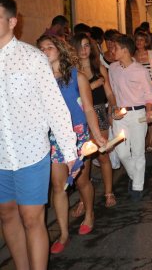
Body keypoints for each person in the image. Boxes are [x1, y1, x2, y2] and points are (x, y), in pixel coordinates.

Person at [0, 0, 77, 269]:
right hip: (1, 158)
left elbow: (55, 106)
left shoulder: (32, 58)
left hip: (31, 153)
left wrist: (70, 152)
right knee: (7, 216)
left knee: (32, 218)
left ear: (12, 21)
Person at [37, 34, 105, 253]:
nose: (45, 51)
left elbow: (87, 108)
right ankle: (64, 233)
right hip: (52, 137)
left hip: (78, 135)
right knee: (58, 186)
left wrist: (97, 134)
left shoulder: (78, 77)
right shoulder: (37, 79)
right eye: (41, 48)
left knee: (81, 181)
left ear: (60, 50)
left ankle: (89, 214)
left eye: (50, 47)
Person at [70, 33, 117, 209]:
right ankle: (84, 199)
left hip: (99, 113)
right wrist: (92, 86)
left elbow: (110, 93)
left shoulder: (99, 68)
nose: (84, 50)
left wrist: (114, 107)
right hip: (80, 117)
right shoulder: (72, 72)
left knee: (103, 155)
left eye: (87, 45)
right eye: (80, 46)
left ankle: (109, 192)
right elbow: (74, 97)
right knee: (84, 160)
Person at [109, 35, 152, 199]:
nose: (111, 50)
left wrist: (149, 111)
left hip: (137, 114)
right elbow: (113, 92)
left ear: (125, 50)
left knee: (137, 152)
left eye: (115, 47)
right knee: (121, 152)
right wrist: (113, 110)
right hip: (119, 115)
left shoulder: (140, 71)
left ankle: (137, 186)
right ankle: (135, 176)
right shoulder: (113, 68)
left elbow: (149, 94)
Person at [133, 31, 152, 152]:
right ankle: (141, 140)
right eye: (137, 40)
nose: (139, 42)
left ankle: (150, 141)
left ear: (146, 42)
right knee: (140, 115)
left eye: (142, 40)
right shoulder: (133, 55)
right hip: (138, 91)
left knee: (151, 115)